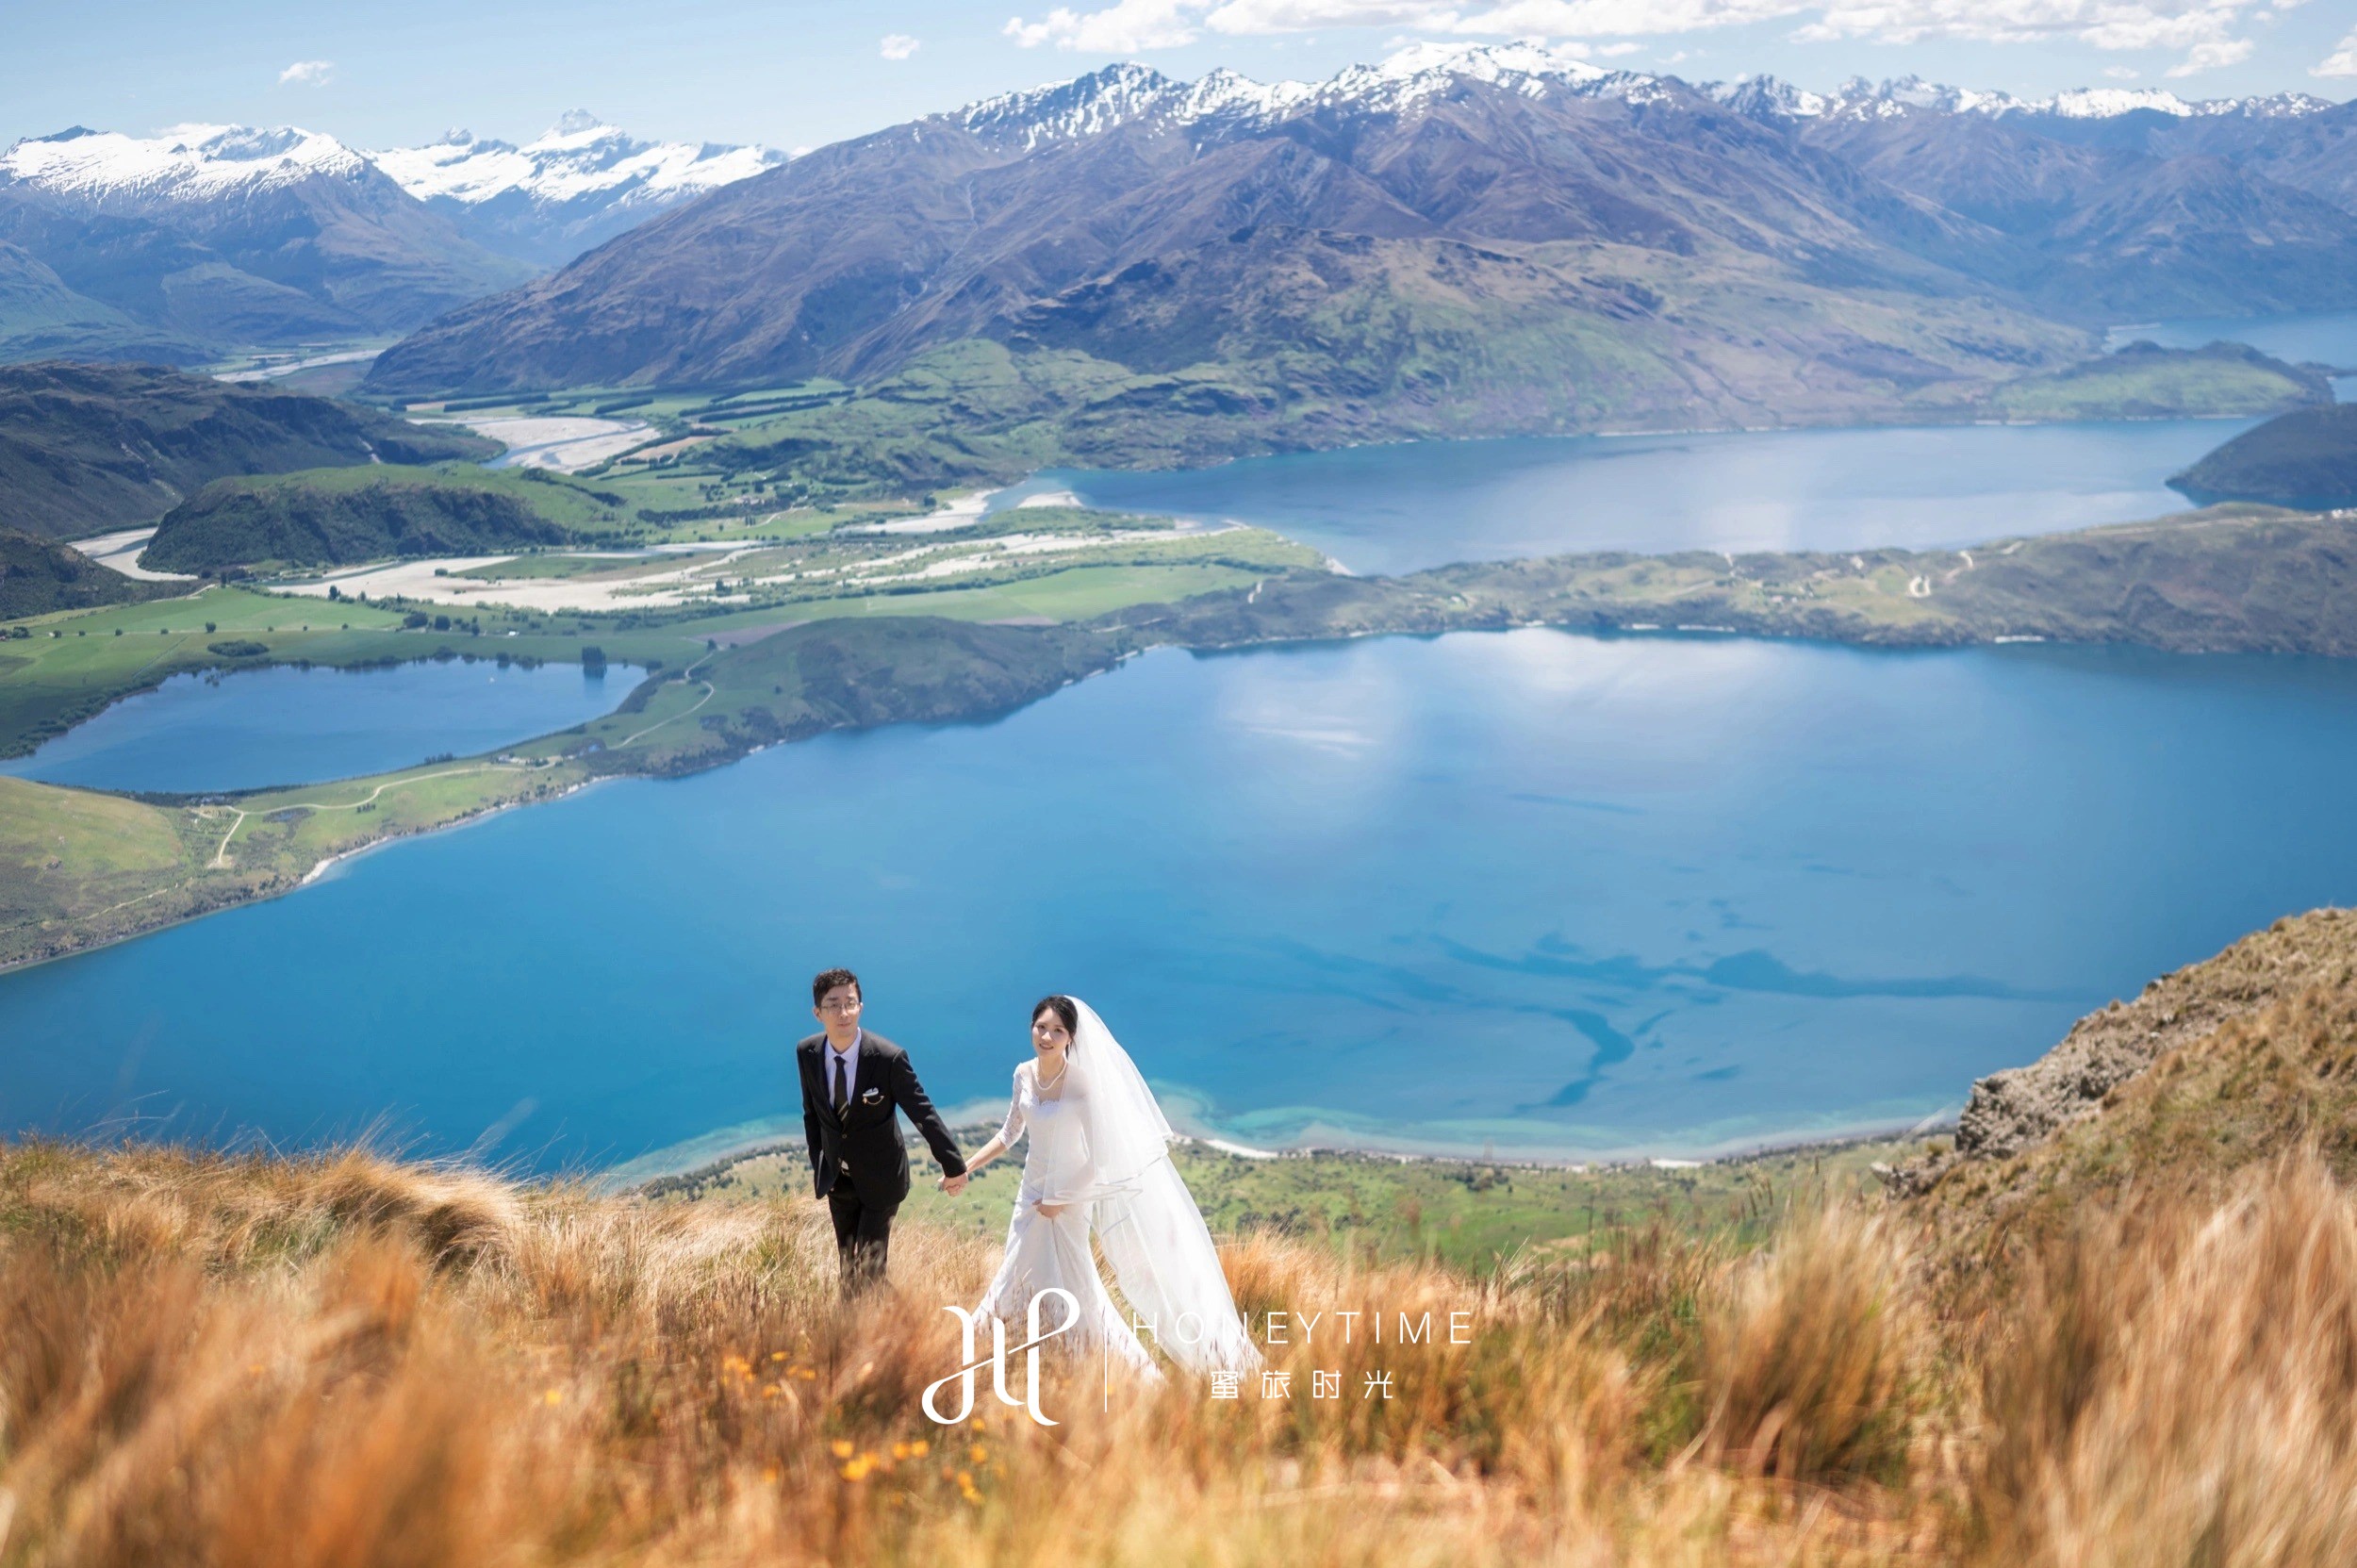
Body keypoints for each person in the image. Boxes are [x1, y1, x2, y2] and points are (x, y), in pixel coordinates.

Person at [952, 995, 1258, 1377]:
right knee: (1018, 1267)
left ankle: (1092, 1355)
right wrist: (967, 1167)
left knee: (1076, 1277)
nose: (1046, 1036)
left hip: (1070, 1195)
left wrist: (1061, 1198)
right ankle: (1008, 1345)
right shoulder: (1023, 1074)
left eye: (1057, 1031)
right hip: (1031, 1191)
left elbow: (1100, 1159)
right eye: (1041, 1027)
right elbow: (1009, 1133)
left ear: (1071, 1038)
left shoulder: (1082, 1087)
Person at [797, 967, 967, 1292]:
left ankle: (882, 1334)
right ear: (818, 1013)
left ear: (861, 1006)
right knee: (848, 1268)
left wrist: (954, 1165)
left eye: (850, 1002)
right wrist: (821, 1163)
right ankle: (856, 1328)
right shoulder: (807, 1052)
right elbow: (812, 1113)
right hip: (839, 1179)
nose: (843, 1012)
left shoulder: (888, 1058)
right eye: (833, 1005)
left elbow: (922, 1111)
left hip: (882, 1179)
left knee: (869, 1269)